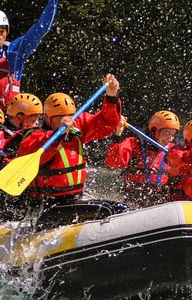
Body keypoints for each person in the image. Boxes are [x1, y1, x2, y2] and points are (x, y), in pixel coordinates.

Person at [14, 73, 122, 213]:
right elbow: (35, 155)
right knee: (109, 210)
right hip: (47, 207)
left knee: (119, 208)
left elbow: (107, 124)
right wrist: (58, 134)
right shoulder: (35, 136)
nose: (68, 120)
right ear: (47, 118)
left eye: (70, 116)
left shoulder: (77, 125)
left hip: (74, 199)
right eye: (60, 118)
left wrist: (111, 97)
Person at [105, 110, 180, 207]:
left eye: (173, 134)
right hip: (133, 199)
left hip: (160, 202)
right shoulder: (134, 143)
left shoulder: (173, 151)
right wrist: (118, 133)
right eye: (167, 133)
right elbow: (113, 162)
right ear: (154, 131)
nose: (170, 138)